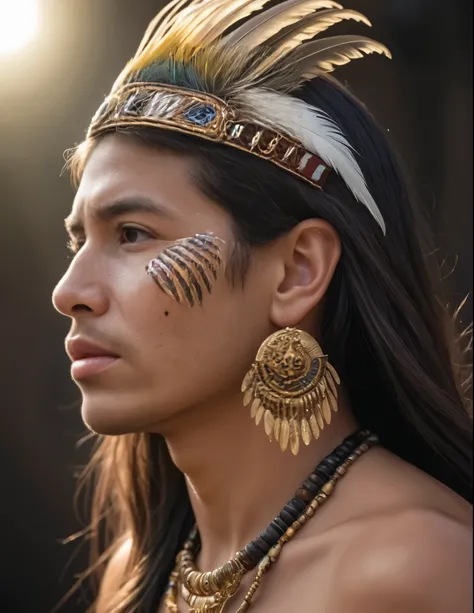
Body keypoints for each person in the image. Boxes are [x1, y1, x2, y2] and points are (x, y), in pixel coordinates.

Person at [52, 1, 473, 612]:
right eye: (78, 239)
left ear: (297, 272)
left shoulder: (416, 567)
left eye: (133, 234)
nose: (70, 291)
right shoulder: (142, 570)